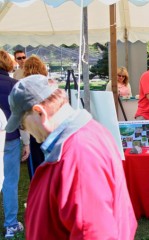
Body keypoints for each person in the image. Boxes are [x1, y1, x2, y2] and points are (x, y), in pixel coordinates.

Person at [5, 74, 138, 239]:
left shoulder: (79, 154)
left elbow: (92, 232)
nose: (24, 130)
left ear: (40, 112)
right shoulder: (87, 134)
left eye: (22, 124)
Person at [0, 49, 29, 238]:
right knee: (10, 182)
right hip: (9, 138)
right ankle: (11, 224)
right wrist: (26, 142)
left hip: (9, 137)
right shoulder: (14, 85)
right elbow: (23, 116)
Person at [23, 55, 49, 180]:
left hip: (34, 133)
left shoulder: (23, 88)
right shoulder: (50, 86)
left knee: (36, 172)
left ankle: (39, 197)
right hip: (50, 131)